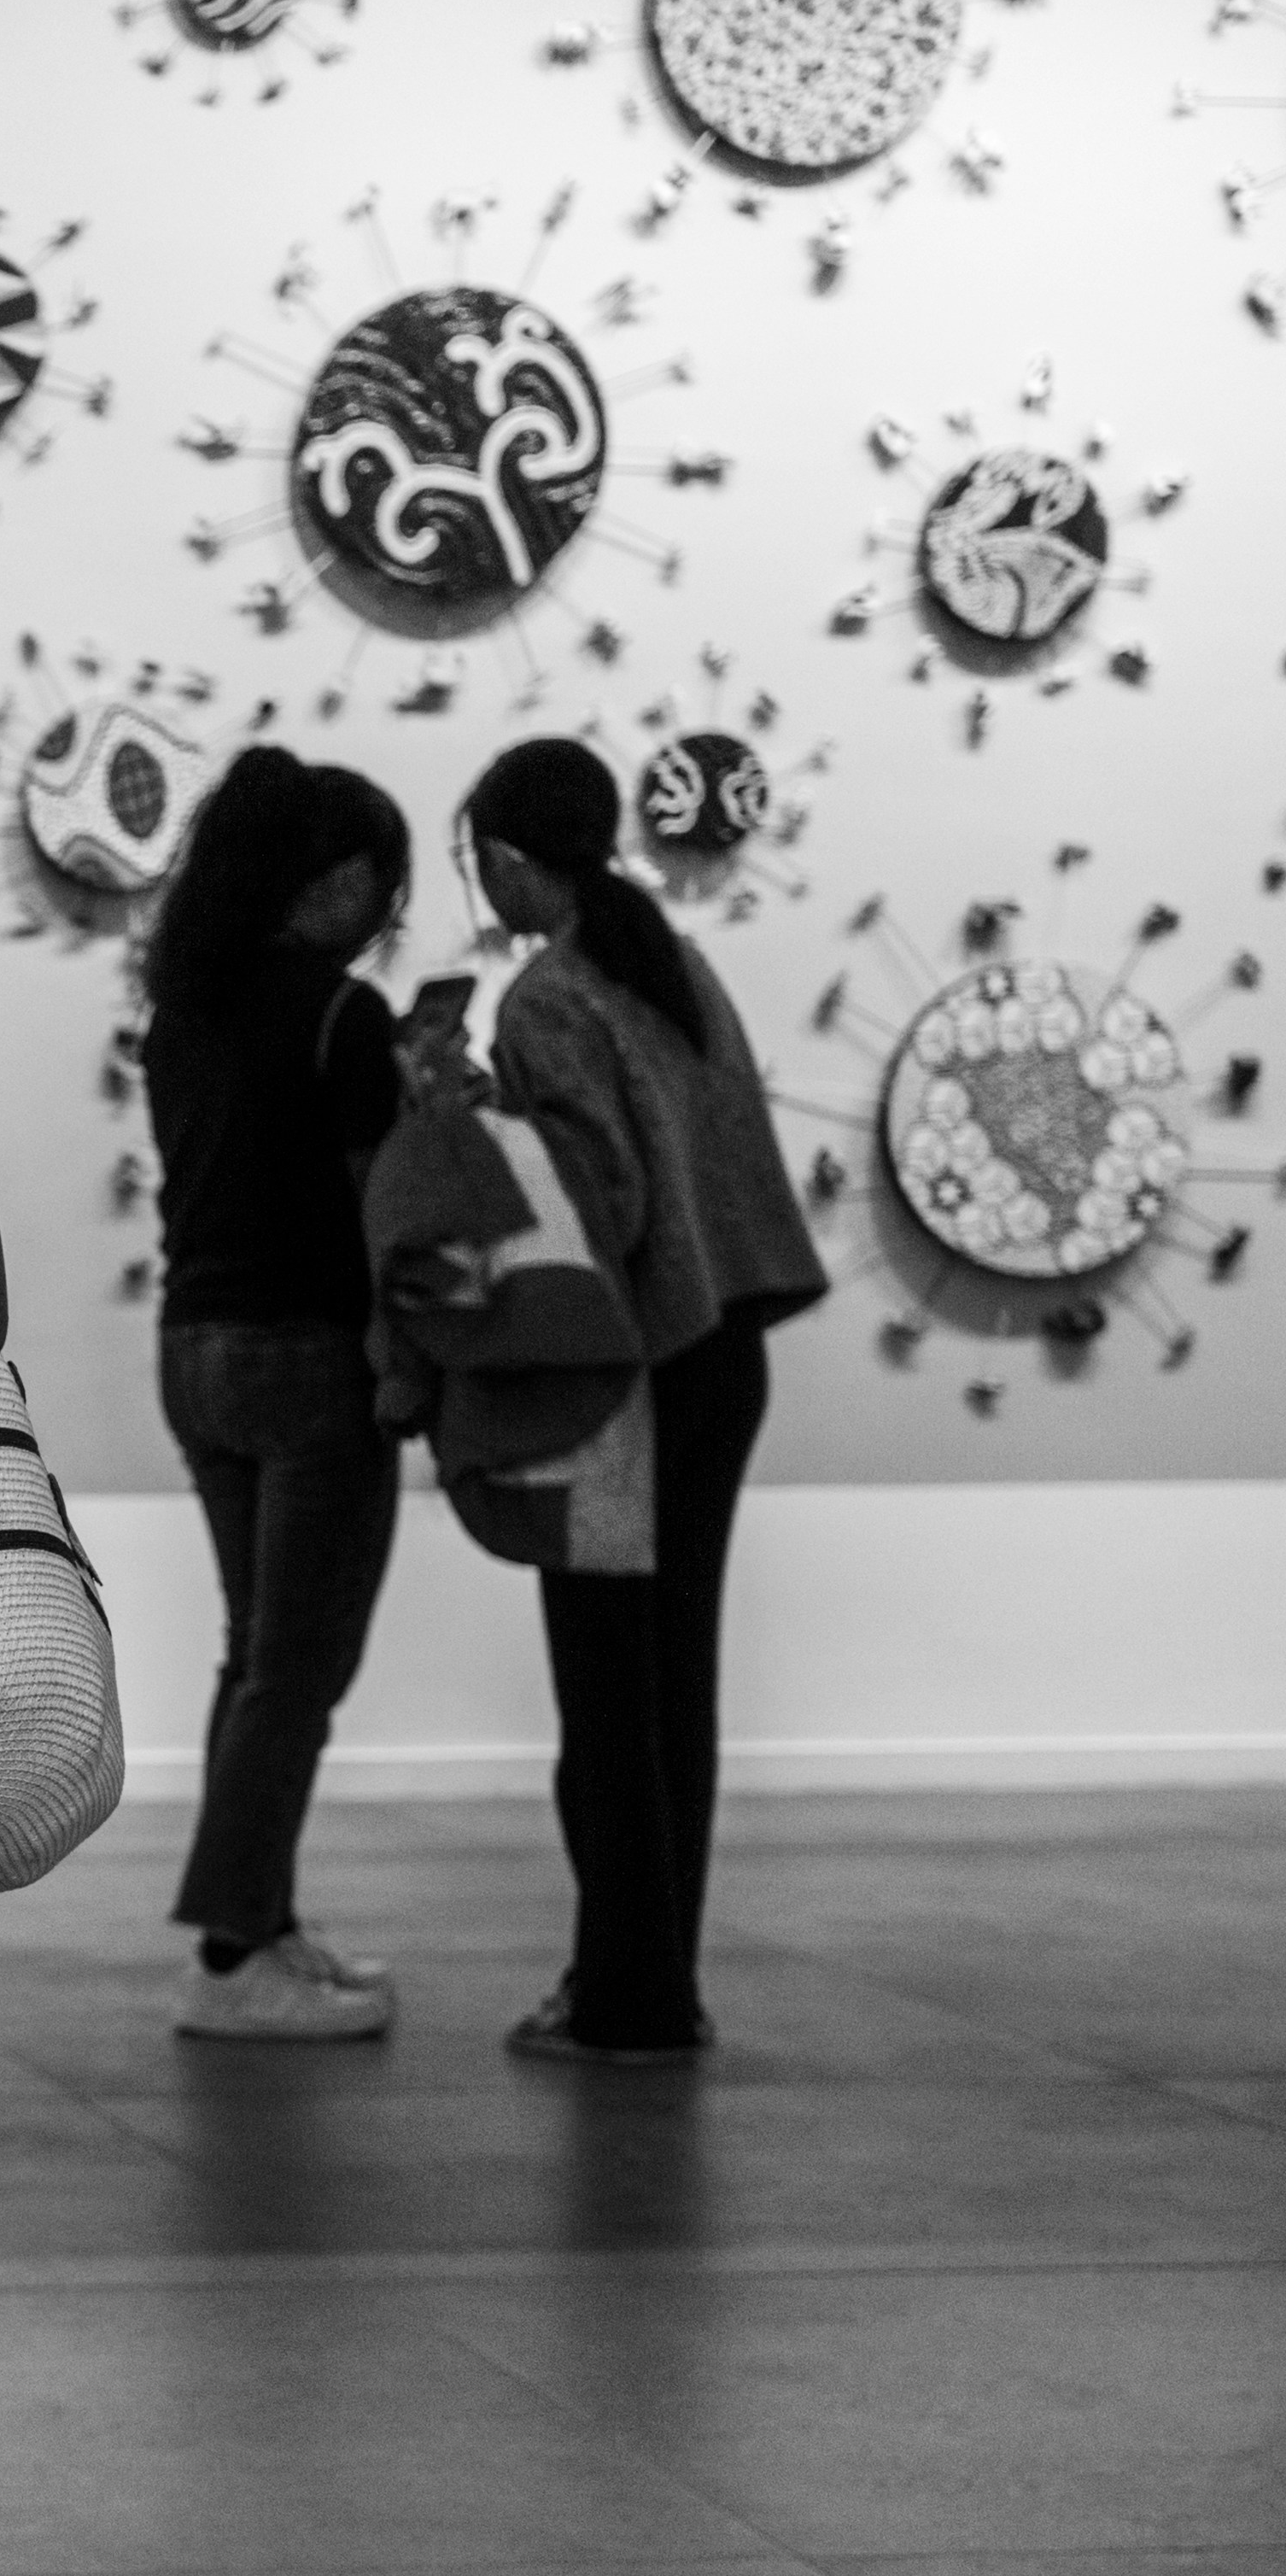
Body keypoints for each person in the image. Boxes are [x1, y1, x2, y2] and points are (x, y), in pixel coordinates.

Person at [461, 730, 829, 2064]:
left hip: (626, 1366)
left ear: (504, 859)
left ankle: (625, 1996)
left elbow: (593, 1197)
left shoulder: (547, 997)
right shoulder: (671, 958)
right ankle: (656, 1983)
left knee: (607, 1687)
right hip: (726, 1350)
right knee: (677, 1677)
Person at [136, 745, 414, 2042]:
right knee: (297, 1666)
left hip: (197, 1348)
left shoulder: (186, 1006)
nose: (386, 911)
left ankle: (262, 1924)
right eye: (381, 880)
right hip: (312, 1356)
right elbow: (388, 1213)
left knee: (259, 1656)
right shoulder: (340, 1015)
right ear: (337, 876)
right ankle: (235, 1952)